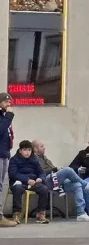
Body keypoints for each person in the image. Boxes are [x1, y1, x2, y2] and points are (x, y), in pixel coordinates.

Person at [32, 139, 89, 223]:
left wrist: (57, 170)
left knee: (77, 185)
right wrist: (55, 169)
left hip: (55, 181)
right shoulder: (33, 159)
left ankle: (81, 214)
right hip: (45, 181)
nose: (44, 148)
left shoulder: (44, 157)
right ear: (35, 149)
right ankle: (85, 184)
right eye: (41, 146)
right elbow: (39, 173)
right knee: (67, 170)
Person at [8, 140, 49, 224]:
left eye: (29, 150)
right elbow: (13, 174)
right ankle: (16, 214)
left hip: (33, 182)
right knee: (17, 188)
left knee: (44, 189)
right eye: (25, 150)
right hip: (19, 182)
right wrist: (27, 180)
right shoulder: (14, 160)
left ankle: (40, 214)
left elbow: (41, 172)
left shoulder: (34, 159)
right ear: (20, 150)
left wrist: (40, 178)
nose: (27, 152)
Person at [0, 93, 17, 227]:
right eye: (6, 102)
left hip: (4, 154)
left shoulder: (4, 116)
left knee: (1, 186)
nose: (9, 105)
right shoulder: (4, 117)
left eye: (9, 102)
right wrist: (9, 116)